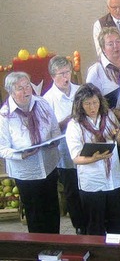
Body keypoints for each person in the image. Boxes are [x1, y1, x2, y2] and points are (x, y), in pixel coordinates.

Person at [0, 72, 61, 234]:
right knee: (35, 213)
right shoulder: (5, 115)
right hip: (26, 172)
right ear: (11, 92)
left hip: (48, 165)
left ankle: (56, 245)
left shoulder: (42, 103)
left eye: (28, 85)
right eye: (20, 88)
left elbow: (54, 128)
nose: (27, 90)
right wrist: (21, 154)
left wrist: (55, 140)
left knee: (52, 209)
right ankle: (40, 249)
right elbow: (2, 148)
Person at [86, 27, 120, 210]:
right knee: (118, 165)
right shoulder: (96, 70)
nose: (115, 47)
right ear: (102, 47)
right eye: (110, 43)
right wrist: (111, 110)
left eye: (118, 42)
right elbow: (90, 101)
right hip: (113, 127)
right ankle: (118, 207)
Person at [66, 83, 120, 236]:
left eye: (95, 102)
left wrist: (117, 134)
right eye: (87, 104)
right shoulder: (75, 125)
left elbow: (119, 142)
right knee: (95, 226)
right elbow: (76, 158)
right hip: (93, 182)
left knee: (116, 224)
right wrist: (94, 158)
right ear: (80, 105)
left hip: (113, 179)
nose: (93, 107)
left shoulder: (109, 116)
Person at [42, 56, 85, 235]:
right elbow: (47, 132)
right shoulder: (47, 100)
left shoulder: (81, 91)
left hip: (85, 147)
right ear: (53, 76)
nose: (66, 76)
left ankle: (94, 223)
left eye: (68, 71)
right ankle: (80, 226)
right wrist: (67, 121)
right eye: (61, 74)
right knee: (72, 190)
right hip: (65, 153)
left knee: (87, 187)